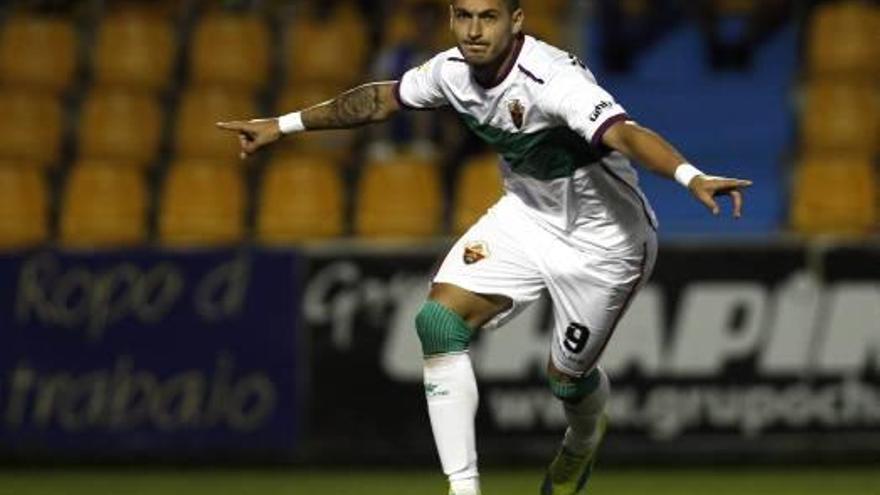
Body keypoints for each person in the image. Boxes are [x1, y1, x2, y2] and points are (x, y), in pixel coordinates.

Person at [217, 1, 752, 493]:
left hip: (604, 245)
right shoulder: (450, 71)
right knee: (438, 323)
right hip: (525, 219)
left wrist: (690, 176)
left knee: (566, 381)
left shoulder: (552, 80)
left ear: (516, 21)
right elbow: (381, 99)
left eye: (489, 16)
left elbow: (626, 133)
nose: (474, 30)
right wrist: (281, 125)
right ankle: (464, 488)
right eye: (463, 15)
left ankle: (581, 444)